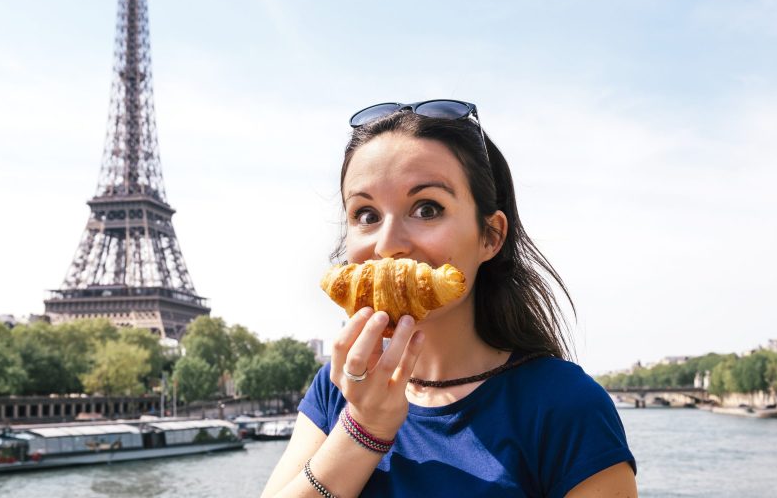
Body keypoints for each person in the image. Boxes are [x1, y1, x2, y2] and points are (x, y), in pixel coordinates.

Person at [262, 100, 636, 497]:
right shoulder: (337, 387)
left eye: (427, 209)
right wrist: (364, 430)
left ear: (490, 236)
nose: (387, 245)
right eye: (366, 215)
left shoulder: (566, 406)